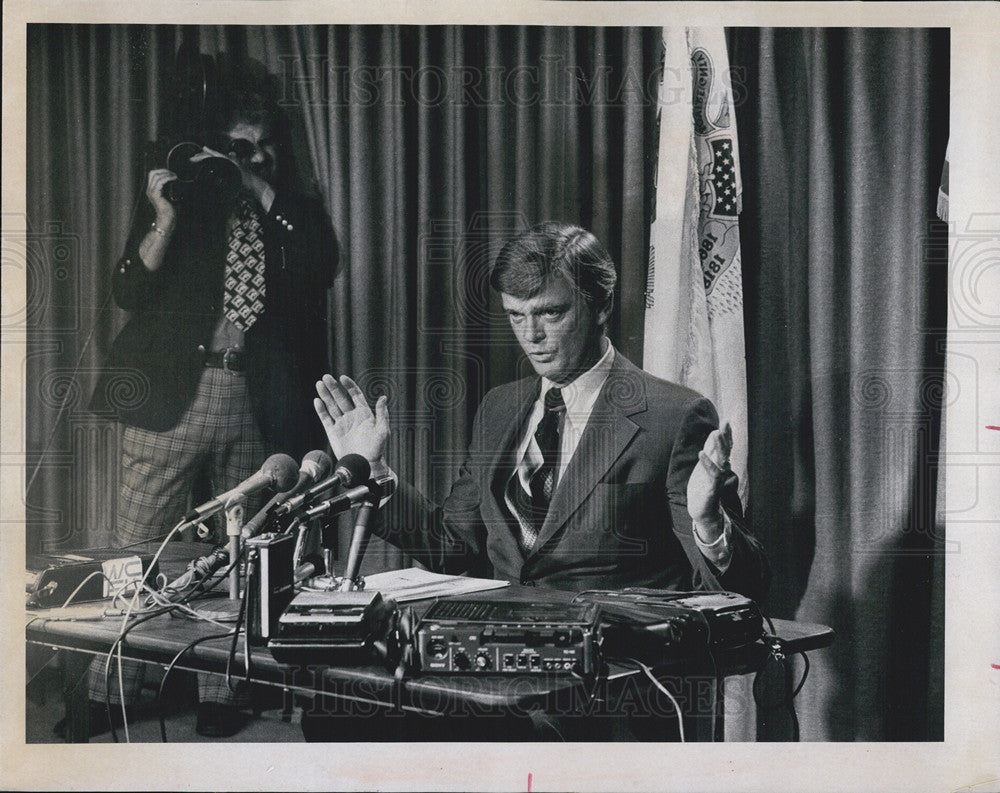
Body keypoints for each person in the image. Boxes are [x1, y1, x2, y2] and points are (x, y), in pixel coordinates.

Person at [309, 221, 768, 739]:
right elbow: (453, 547)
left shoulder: (673, 416)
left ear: (600, 305)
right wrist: (376, 474)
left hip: (603, 684)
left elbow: (739, 592)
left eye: (551, 312)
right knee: (332, 709)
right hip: (491, 665)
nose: (532, 335)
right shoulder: (500, 407)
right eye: (515, 316)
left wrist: (709, 523)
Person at [78, 87, 336, 739]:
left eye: (263, 146)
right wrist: (162, 214)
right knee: (135, 548)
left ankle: (228, 685)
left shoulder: (293, 215)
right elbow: (128, 289)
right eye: (239, 145)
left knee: (240, 548)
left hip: (252, 398)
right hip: (173, 398)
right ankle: (111, 686)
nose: (253, 157)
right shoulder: (184, 205)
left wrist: (260, 187)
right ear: (216, 149)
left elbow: (318, 267)